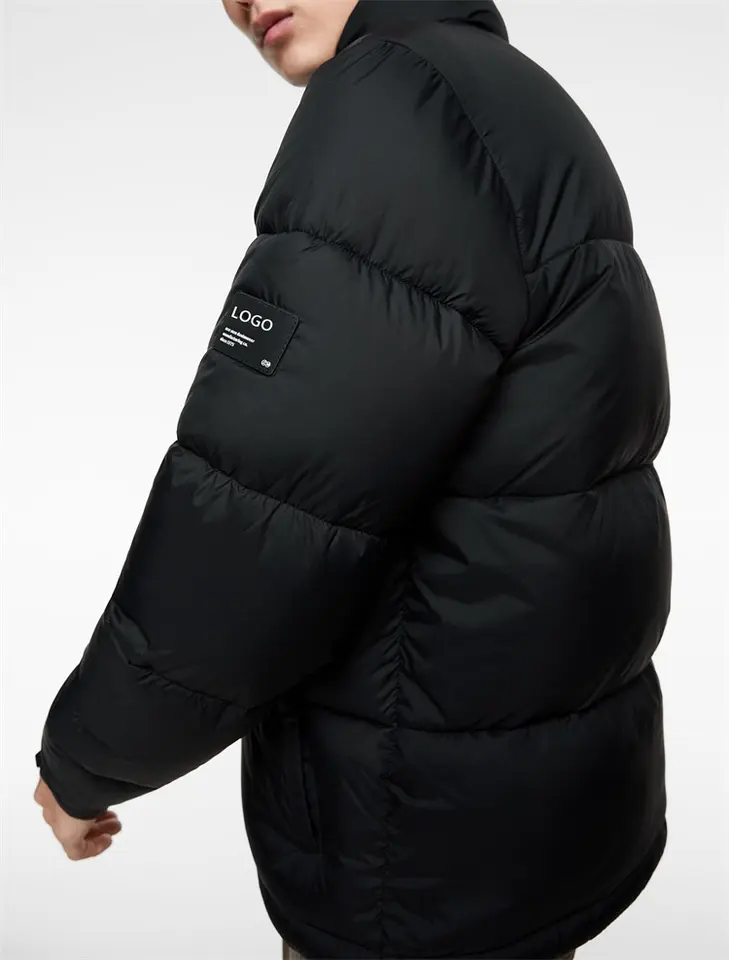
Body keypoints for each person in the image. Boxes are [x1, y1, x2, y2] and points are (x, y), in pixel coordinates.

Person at [33, 1, 671, 958]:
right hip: (535, 827)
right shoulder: (512, 98)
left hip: (406, 857)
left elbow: (260, 513)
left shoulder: (394, 98)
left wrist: (91, 754)